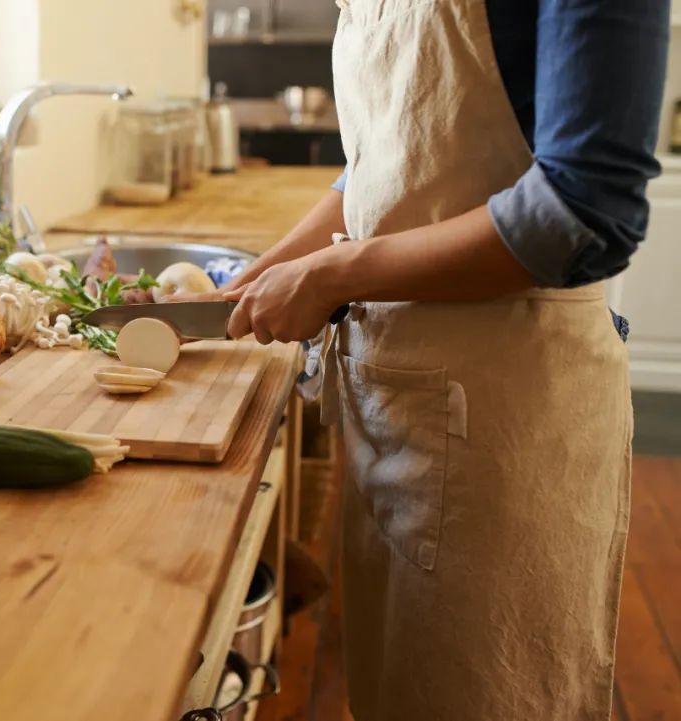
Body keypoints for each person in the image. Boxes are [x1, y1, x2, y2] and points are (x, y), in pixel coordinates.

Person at [169, 0, 668, 718]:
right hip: (394, 410)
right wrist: (270, 269)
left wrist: (334, 275)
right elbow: (381, 163)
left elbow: (583, 211)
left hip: (506, 425)